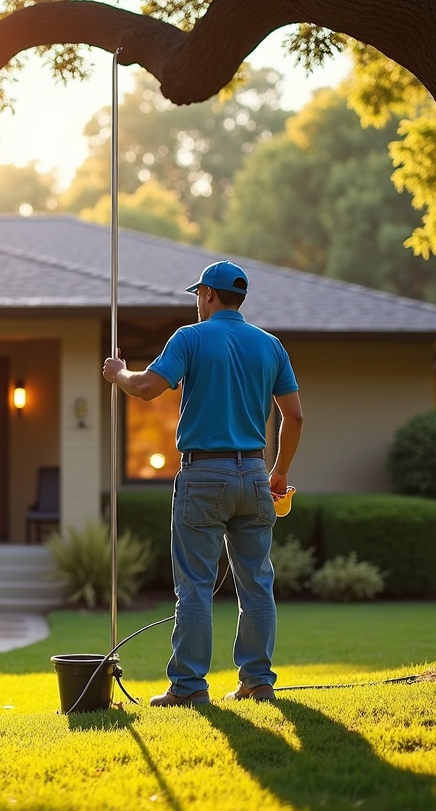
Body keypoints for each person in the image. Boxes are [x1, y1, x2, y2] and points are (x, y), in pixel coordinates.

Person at [102, 260, 303, 706]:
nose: (196, 302)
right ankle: (258, 681)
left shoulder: (190, 338)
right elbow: (295, 415)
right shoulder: (271, 346)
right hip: (254, 473)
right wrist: (281, 470)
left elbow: (148, 388)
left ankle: (190, 688)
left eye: (198, 294)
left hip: (203, 474)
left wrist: (118, 374)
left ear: (209, 295)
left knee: (194, 584)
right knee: (256, 583)